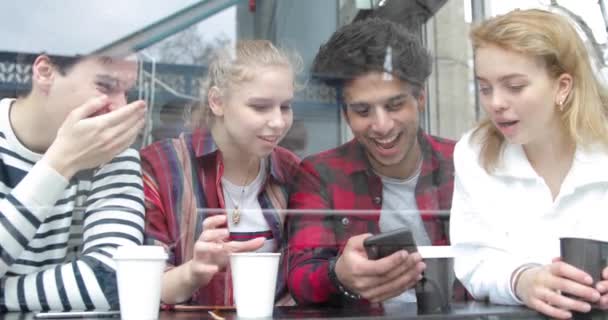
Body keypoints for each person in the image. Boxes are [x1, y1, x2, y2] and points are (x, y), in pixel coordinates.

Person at [449, 9, 608, 319]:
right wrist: (521, 281)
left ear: (563, 86)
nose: (495, 103)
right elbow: (472, 258)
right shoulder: (474, 152)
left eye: (515, 86)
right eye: (485, 88)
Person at [287, 18, 456, 306]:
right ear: (345, 115)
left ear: (421, 99)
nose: (382, 125)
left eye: (395, 105)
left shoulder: (463, 163)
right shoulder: (320, 174)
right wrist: (338, 274)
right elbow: (301, 276)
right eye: (363, 110)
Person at [141, 40, 302, 306]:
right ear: (217, 102)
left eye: (285, 107)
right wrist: (194, 272)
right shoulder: (160, 167)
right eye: (260, 107)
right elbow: (143, 285)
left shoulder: (292, 171)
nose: (278, 122)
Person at [0, 53, 147, 311]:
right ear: (45, 73)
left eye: (127, 91)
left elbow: (114, 278)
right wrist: (62, 161)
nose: (120, 106)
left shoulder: (113, 153)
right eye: (105, 86)